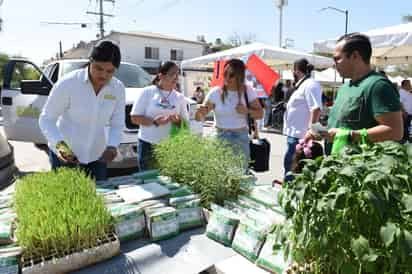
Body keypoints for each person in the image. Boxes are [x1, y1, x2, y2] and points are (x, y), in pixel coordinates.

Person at [39, 40, 125, 180]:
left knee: (97, 197)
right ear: (90, 61)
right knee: (68, 199)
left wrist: (112, 146)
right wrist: (61, 147)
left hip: (97, 158)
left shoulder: (118, 88)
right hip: (67, 157)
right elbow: (46, 119)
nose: (103, 75)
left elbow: (117, 123)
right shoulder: (68, 83)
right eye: (98, 68)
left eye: (110, 71)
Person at [309, 33, 403, 152]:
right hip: (336, 164)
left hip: (360, 166)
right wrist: (320, 133)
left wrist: (350, 136)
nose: (334, 64)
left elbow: (395, 131)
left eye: (337, 58)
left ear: (355, 56)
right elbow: (342, 125)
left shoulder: (378, 85)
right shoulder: (344, 87)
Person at [195, 58, 263, 171]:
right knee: (219, 174)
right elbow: (199, 117)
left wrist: (247, 111)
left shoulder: (248, 91)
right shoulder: (215, 92)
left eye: (231, 75)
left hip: (240, 138)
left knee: (240, 175)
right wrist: (199, 112)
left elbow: (260, 114)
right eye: (225, 73)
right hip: (220, 137)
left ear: (240, 76)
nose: (227, 77)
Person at [130, 61, 189, 171]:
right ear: (161, 75)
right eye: (172, 74)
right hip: (148, 145)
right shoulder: (148, 92)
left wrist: (177, 121)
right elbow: (134, 118)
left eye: (178, 74)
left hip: (170, 147)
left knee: (168, 182)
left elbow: (185, 124)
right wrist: (154, 122)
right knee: (148, 181)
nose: (176, 77)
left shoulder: (180, 97)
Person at [282, 58, 323, 182]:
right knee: (290, 171)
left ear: (296, 71)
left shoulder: (310, 84)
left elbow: (316, 108)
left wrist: (311, 132)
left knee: (294, 174)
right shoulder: (303, 85)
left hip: (301, 138)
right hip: (294, 136)